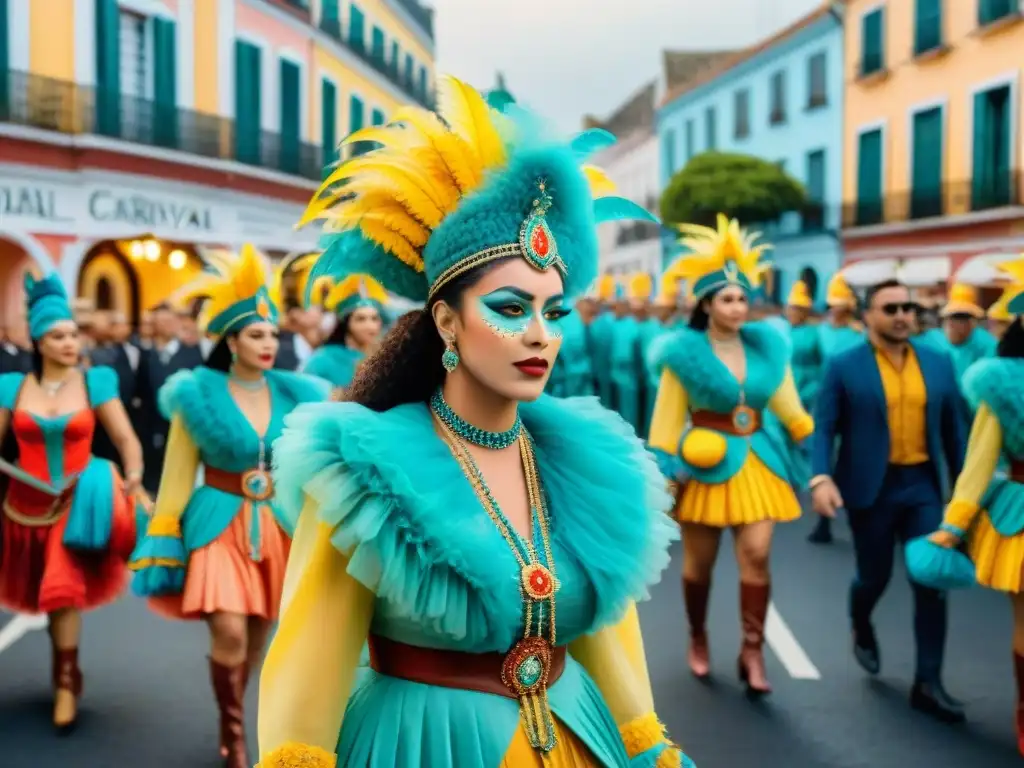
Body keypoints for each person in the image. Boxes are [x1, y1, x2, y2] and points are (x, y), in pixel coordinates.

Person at [255, 75, 694, 768]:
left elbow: (610, 638)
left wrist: (645, 744)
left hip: (576, 733)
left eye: (555, 313)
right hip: (422, 743)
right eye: (512, 309)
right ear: (447, 321)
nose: (540, 336)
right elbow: (311, 656)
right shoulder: (363, 466)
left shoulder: (584, 457)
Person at [129, 246, 329, 767]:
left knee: (259, 635)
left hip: (276, 524)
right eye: (256, 335)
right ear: (231, 341)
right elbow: (176, 473)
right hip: (218, 519)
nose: (269, 344)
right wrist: (164, 532)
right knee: (230, 630)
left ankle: (234, 705)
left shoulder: (298, 393)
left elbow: (309, 467)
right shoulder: (196, 394)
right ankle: (233, 732)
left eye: (273, 335)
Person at [648, 215, 813, 695]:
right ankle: (698, 637)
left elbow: (787, 403)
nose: (739, 306)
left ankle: (752, 652)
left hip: (759, 458)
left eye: (743, 298)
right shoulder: (682, 353)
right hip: (703, 463)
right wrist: (663, 468)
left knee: (757, 555)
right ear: (707, 304)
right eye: (727, 298)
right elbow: (666, 416)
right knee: (698, 565)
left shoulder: (768, 346)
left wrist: (811, 440)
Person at [810, 278, 967, 721]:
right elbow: (824, 427)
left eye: (907, 307)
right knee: (873, 578)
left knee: (930, 581)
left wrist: (967, 497)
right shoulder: (844, 365)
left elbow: (955, 433)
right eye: (891, 308)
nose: (902, 316)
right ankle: (861, 621)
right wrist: (821, 477)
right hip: (870, 489)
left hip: (922, 487)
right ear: (868, 317)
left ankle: (928, 683)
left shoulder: (938, 363)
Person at [0, 272, 144, 730]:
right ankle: (65, 671)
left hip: (77, 503)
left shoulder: (97, 381)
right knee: (41, 592)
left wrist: (134, 476)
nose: (69, 343)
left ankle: (65, 681)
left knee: (62, 595)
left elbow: (126, 439)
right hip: (22, 507)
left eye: (73, 334)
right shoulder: (11, 387)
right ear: (39, 341)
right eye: (58, 336)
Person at [807, 272, 863, 545]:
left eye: (842, 305)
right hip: (826, 400)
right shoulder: (821, 332)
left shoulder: (860, 335)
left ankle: (859, 517)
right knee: (823, 457)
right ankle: (823, 520)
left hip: (854, 401)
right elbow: (813, 364)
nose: (837, 309)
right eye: (834, 304)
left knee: (851, 458)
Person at [135, 302, 204, 493]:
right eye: (161, 321)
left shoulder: (193, 352)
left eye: (170, 320)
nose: (166, 325)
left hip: (184, 428)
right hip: (152, 432)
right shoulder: (146, 355)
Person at [303, 273, 388, 392]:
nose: (370, 326)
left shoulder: (386, 359)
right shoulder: (322, 359)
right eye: (360, 319)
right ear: (346, 323)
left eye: (374, 318)